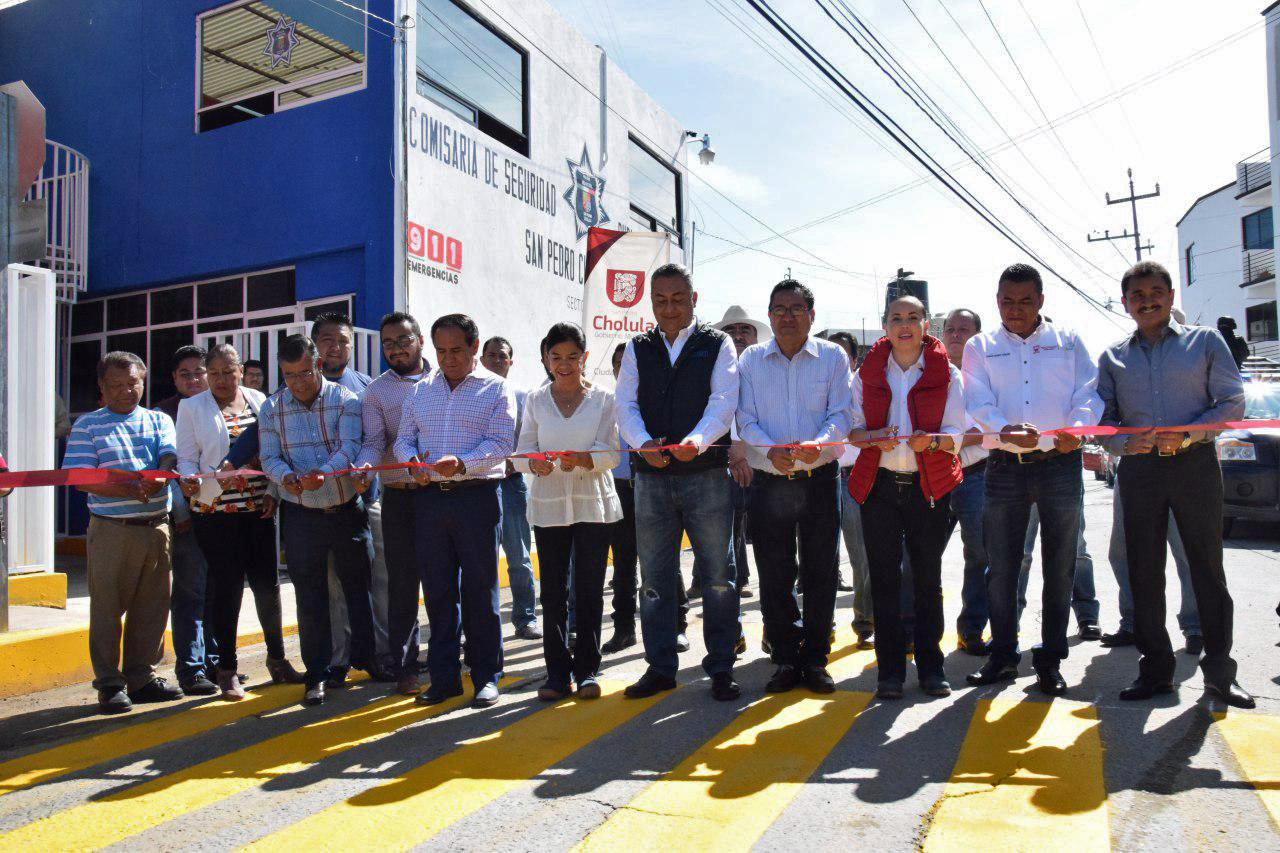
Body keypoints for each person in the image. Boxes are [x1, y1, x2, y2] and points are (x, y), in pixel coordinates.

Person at [1099, 261, 1253, 708]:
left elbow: (1232, 403)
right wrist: (1126, 441)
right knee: (1144, 572)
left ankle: (1221, 674)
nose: (1147, 300)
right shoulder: (1112, 357)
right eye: (1137, 295)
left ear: (1169, 295)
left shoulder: (1206, 342)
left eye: (1155, 292)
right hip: (1140, 471)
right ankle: (1156, 671)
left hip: (1195, 465)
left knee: (1207, 569)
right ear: (1126, 303)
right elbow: (1101, 421)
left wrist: (1187, 433)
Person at [963, 263, 1102, 696]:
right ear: (997, 300)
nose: (1015, 309)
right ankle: (1003, 656)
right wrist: (1004, 428)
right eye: (1007, 301)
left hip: (1060, 466)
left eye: (1025, 301)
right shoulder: (979, 346)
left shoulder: (1068, 341)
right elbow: (975, 396)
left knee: (1059, 564)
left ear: (1041, 300)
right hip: (1003, 467)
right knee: (1002, 567)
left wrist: (1074, 432)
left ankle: (1050, 660)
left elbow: (1090, 392)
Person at [615, 263, 741, 702]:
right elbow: (625, 404)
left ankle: (721, 666)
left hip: (705, 475)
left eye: (678, 299)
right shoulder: (637, 347)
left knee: (718, 576)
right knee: (654, 578)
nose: (669, 309)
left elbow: (725, 400)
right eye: (660, 300)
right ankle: (661, 666)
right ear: (651, 302)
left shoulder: (718, 343)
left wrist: (699, 440)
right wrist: (642, 442)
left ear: (694, 300)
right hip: (651, 479)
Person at [395, 313, 516, 709]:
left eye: (457, 351)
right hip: (429, 500)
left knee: (480, 590)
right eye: (442, 351)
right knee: (438, 591)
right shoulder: (420, 391)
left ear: (474, 348)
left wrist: (462, 463)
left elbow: (500, 445)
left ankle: (486, 676)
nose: (448, 359)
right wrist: (413, 463)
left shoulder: (496, 389)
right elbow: (403, 440)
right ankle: (444, 678)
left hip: (477, 498)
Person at [737, 281, 852, 694]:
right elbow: (744, 419)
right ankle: (785, 658)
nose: (787, 316)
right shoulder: (750, 359)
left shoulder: (833, 357)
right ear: (769, 316)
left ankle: (816, 659)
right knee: (774, 573)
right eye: (779, 309)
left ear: (812, 315)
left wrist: (816, 446)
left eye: (796, 308)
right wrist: (771, 454)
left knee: (821, 572)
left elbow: (842, 414)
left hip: (819, 479)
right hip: (770, 482)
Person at [848, 297, 963, 700]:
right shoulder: (867, 372)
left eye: (913, 318)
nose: (904, 325)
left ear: (926, 324)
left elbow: (958, 437)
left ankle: (932, 668)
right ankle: (890, 672)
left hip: (927, 487)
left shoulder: (946, 372)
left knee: (928, 580)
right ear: (884, 326)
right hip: (879, 486)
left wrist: (931, 441)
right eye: (896, 318)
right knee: (883, 580)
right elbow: (853, 432)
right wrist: (870, 438)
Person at [259, 334, 384, 706]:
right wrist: (287, 478)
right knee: (310, 600)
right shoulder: (271, 408)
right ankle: (318, 673)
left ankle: (369, 660)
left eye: (304, 373)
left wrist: (323, 474)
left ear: (318, 366)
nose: (298, 383)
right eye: (289, 376)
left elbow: (349, 448)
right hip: (301, 518)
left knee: (359, 589)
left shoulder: (346, 400)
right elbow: (269, 458)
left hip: (346, 511)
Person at [176, 344, 301, 700]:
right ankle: (227, 670)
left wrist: (272, 494)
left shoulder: (260, 400)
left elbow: (275, 451)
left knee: (267, 587)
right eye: (213, 373)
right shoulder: (192, 407)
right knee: (227, 588)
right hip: (214, 511)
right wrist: (190, 479)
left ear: (241, 370)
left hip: (258, 507)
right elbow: (186, 458)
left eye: (228, 372)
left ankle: (277, 661)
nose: (221, 380)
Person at [62, 351, 185, 713]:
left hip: (156, 527)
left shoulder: (158, 419)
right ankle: (110, 683)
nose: (126, 391)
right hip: (112, 529)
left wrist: (158, 475)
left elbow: (169, 454)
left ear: (143, 380)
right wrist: (129, 489)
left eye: (132, 383)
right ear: (102, 386)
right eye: (116, 385)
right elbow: (81, 479)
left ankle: (142, 677)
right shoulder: (87, 425)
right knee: (106, 608)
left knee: (152, 607)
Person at [515, 322, 622, 700]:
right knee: (554, 593)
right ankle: (557, 675)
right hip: (548, 505)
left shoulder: (604, 400)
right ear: (545, 359)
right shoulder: (535, 400)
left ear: (585, 359)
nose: (564, 364)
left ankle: (588, 671)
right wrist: (534, 463)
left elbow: (612, 453)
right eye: (556, 357)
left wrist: (585, 459)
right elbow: (522, 451)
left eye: (572, 357)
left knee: (589, 589)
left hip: (593, 502)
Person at [311, 313, 394, 683]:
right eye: (327, 339)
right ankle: (338, 660)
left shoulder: (367, 387)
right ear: (314, 344)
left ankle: (385, 653)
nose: (336, 347)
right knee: (333, 585)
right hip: (326, 504)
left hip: (370, 499)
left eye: (343, 340)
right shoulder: (302, 387)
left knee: (381, 580)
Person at [354, 312, 432, 695]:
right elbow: (372, 442)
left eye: (403, 340)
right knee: (402, 584)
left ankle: (449, 654)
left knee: (446, 579)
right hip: (399, 497)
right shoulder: (376, 392)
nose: (396, 349)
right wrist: (364, 467)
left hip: (443, 495)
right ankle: (406, 665)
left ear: (420, 340)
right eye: (388, 343)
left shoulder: (444, 381)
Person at [154, 345, 218, 696]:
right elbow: (169, 469)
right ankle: (191, 668)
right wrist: (181, 513)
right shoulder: (164, 413)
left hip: (224, 516)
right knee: (190, 593)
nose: (194, 379)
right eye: (185, 374)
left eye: (199, 372)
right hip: (188, 520)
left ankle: (217, 661)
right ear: (174, 379)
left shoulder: (221, 407)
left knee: (217, 592)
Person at [480, 335, 541, 641]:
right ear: (481, 359)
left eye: (503, 356)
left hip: (513, 485)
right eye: (491, 356)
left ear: (510, 362)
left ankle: (525, 618)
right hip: (479, 487)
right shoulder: (473, 396)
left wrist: (517, 461)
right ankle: (479, 626)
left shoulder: (522, 397)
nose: (497, 361)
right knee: (480, 561)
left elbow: (531, 441)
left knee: (518, 557)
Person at [939, 309, 991, 655]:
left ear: (977, 334)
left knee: (979, 557)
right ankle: (914, 629)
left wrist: (958, 438)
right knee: (919, 556)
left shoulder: (988, 375)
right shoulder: (929, 372)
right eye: (950, 329)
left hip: (976, 476)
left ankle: (971, 629)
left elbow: (991, 429)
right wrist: (960, 436)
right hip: (935, 476)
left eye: (964, 329)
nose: (956, 335)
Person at [712, 305, 771, 600]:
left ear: (756, 336)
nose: (737, 335)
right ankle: (726, 579)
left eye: (744, 329)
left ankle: (750, 579)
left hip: (763, 460)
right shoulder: (713, 368)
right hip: (721, 459)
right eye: (730, 330)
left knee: (756, 526)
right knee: (726, 523)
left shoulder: (764, 366)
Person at [1102, 490, 1201, 653]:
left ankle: (1196, 628)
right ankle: (1133, 623)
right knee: (1124, 553)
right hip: (1133, 472)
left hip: (1180, 472)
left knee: (1188, 554)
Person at [825, 330, 871, 643]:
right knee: (822, 559)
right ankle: (822, 625)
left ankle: (865, 619)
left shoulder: (865, 387)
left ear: (853, 359)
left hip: (857, 478)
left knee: (862, 556)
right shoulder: (817, 386)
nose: (839, 360)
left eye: (845, 354)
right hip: (822, 477)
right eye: (833, 353)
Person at [1018, 502, 1100, 639]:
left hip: (1065, 484)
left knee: (1076, 548)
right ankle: (1011, 623)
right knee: (1020, 554)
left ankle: (1087, 615)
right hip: (1022, 484)